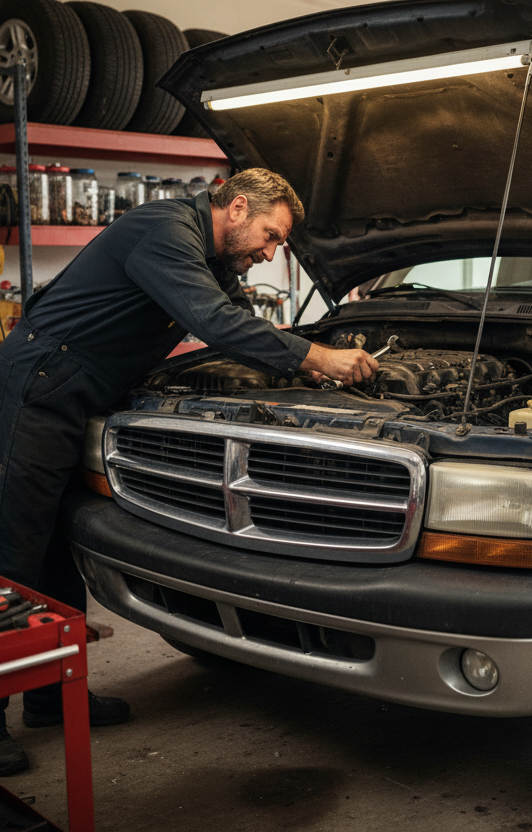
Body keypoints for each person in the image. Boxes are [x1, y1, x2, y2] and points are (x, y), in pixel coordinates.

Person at [0, 167, 378, 775]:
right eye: (271, 234)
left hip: (78, 393)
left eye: (279, 242)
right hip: (38, 388)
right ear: (234, 209)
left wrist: (304, 367)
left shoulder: (214, 257)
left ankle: (50, 698)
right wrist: (317, 355)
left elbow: (239, 327)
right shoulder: (164, 231)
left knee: (54, 550)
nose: (271, 250)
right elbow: (214, 322)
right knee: (13, 552)